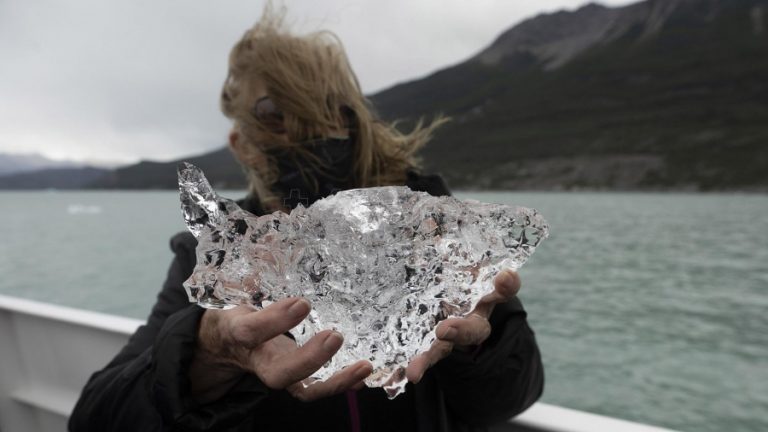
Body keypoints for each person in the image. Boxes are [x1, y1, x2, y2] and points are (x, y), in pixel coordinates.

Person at [69, 6, 543, 432]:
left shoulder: (433, 228)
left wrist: (479, 344)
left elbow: (511, 397)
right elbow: (95, 419)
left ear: (352, 118)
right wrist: (206, 357)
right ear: (241, 142)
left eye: (324, 107)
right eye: (275, 112)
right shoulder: (217, 260)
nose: (305, 129)